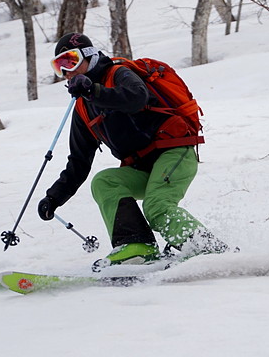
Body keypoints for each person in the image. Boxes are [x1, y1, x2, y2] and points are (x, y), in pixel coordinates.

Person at [37, 32, 229, 269]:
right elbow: (79, 161)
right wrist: (54, 197)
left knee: (156, 207)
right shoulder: (83, 109)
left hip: (173, 152)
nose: (67, 71)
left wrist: (93, 91)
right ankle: (137, 247)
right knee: (104, 181)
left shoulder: (117, 73)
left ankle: (209, 249)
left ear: (89, 56)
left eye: (71, 61)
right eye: (60, 66)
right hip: (141, 166)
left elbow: (137, 98)